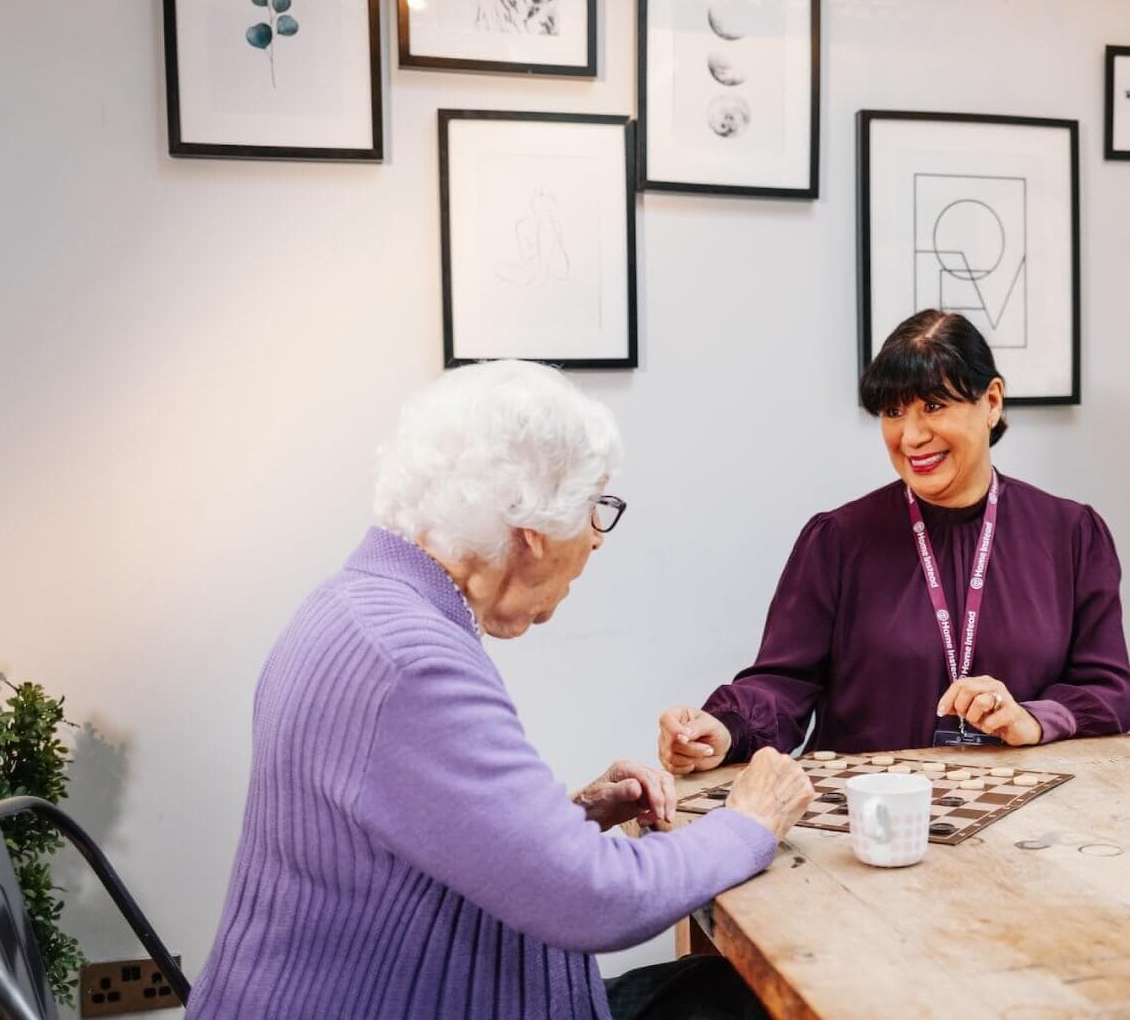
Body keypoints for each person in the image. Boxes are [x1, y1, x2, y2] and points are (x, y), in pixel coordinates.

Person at [187, 360, 814, 1020]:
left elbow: (422, 832)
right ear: (533, 531)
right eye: (594, 508)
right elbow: (595, 900)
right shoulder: (411, 663)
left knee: (713, 993)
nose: (596, 542)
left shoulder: (356, 607)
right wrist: (751, 823)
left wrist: (573, 817)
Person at [659, 309, 1130, 776]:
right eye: (893, 411)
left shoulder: (1071, 534)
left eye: (933, 405)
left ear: (991, 402)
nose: (911, 436)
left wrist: (1033, 718)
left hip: (1028, 823)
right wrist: (724, 727)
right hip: (865, 820)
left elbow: (1109, 691)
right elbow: (784, 682)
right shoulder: (838, 540)